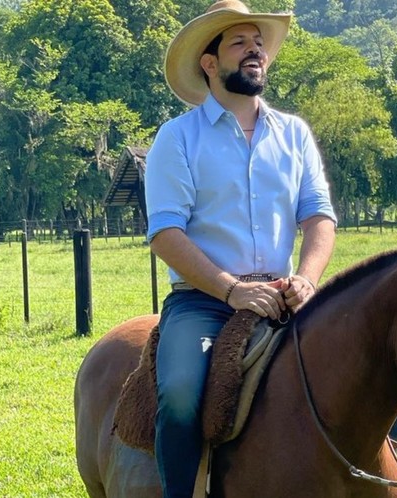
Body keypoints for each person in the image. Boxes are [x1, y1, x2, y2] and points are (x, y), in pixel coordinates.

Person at [143, 1, 337, 497]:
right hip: (203, 302)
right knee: (182, 395)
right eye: (239, 42)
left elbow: (318, 217)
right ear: (210, 64)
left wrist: (308, 280)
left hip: (285, 294)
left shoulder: (294, 134)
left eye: (259, 43)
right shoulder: (177, 138)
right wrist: (230, 291)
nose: (255, 50)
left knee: (367, 360)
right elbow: (167, 233)